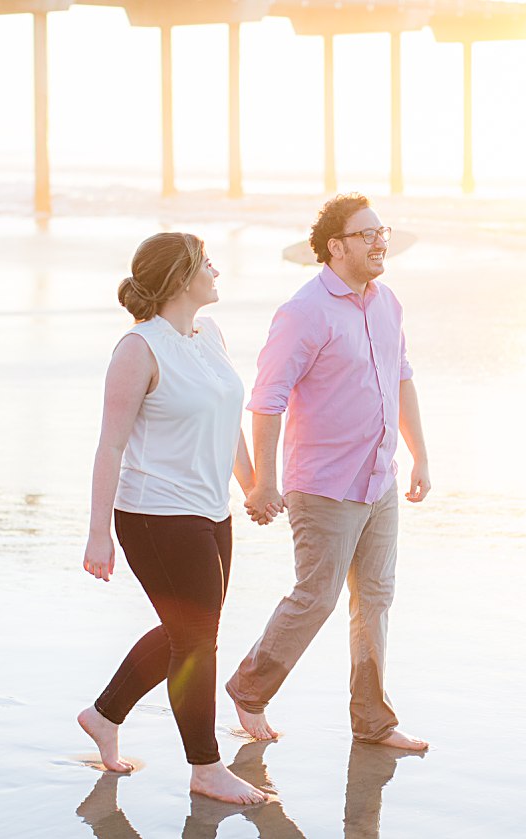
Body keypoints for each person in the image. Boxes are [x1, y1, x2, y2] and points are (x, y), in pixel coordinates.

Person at [227, 193, 430, 751]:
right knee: (315, 598)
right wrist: (264, 483)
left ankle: (374, 722)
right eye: (366, 234)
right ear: (335, 247)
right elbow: (266, 400)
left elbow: (402, 378)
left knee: (376, 600)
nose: (380, 241)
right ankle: (249, 688)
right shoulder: (303, 311)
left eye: (381, 230)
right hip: (323, 486)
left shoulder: (387, 302)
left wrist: (420, 455)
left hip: (380, 479)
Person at [77, 232, 272, 805]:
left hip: (212, 510)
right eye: (206, 262)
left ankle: (103, 714)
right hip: (154, 513)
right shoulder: (138, 350)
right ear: (181, 278)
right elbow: (109, 446)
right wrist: (98, 534)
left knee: (191, 632)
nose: (216, 270)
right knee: (197, 639)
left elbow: (226, 416)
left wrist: (254, 486)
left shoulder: (209, 334)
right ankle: (206, 767)